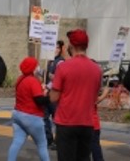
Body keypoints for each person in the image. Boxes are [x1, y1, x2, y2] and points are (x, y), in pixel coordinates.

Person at [49, 29, 102, 161]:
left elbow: (53, 97)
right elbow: (95, 98)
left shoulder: (63, 67)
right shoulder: (97, 69)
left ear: (71, 46)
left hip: (66, 122)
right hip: (87, 123)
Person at [7, 56, 50, 161]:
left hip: (18, 114)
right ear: (33, 68)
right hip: (32, 117)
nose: (38, 68)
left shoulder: (20, 79)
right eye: (36, 66)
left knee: (17, 142)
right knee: (42, 144)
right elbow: (39, 100)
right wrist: (48, 96)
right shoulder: (33, 81)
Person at [44, 39, 66, 150]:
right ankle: (49, 140)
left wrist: (48, 86)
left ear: (61, 49)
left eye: (57, 48)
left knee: (57, 119)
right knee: (44, 116)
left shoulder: (60, 62)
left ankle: (58, 141)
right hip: (48, 93)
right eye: (54, 47)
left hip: (56, 95)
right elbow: (49, 77)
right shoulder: (50, 61)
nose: (55, 50)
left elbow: (57, 79)